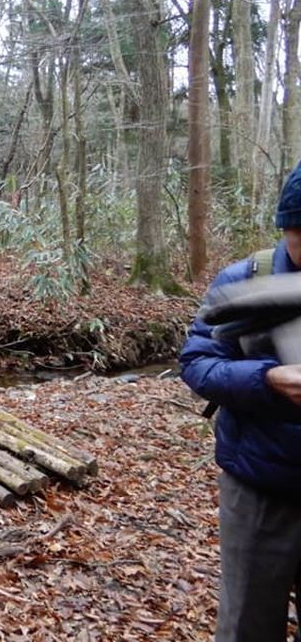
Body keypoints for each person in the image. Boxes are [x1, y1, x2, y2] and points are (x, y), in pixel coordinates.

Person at [180, 160, 301, 641]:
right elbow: (197, 363)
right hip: (260, 484)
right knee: (248, 624)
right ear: (286, 227)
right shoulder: (248, 278)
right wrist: (268, 379)